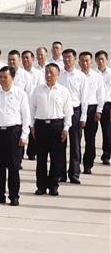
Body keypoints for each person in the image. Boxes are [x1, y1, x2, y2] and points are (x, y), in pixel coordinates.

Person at [0, 66, 30, 206]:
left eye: (5, 77)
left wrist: (24, 135)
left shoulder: (20, 94)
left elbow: (26, 116)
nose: (2, 80)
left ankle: (14, 196)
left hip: (14, 133)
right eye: (0, 77)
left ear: (12, 78)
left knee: (13, 166)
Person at [30, 63, 72, 196]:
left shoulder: (63, 91)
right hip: (41, 126)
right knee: (41, 158)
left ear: (58, 75)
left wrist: (66, 128)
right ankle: (41, 186)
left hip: (57, 126)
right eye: (46, 72)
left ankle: (53, 185)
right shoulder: (37, 90)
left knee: (57, 158)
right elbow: (32, 109)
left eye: (51, 73)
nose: (48, 75)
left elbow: (68, 112)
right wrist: (32, 126)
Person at [58, 49, 88, 184]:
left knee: (75, 145)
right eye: (64, 57)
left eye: (69, 57)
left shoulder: (81, 76)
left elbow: (84, 98)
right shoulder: (59, 74)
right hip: (61, 112)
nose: (67, 60)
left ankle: (74, 174)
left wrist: (83, 117)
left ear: (74, 59)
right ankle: (61, 174)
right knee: (60, 145)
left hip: (75, 112)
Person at [78, 51, 104, 174]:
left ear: (91, 62)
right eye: (82, 60)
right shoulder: (77, 75)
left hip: (92, 109)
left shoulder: (97, 76)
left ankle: (88, 164)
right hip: (78, 109)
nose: (85, 63)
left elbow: (101, 95)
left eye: (87, 60)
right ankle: (75, 165)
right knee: (76, 138)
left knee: (90, 139)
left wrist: (99, 110)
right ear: (78, 62)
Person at [95, 51, 111, 165]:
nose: (100, 61)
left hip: (107, 105)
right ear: (95, 60)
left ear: (107, 60)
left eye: (102, 59)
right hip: (94, 104)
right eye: (98, 59)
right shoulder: (93, 74)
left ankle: (106, 155)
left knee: (107, 132)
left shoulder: (110, 74)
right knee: (91, 133)